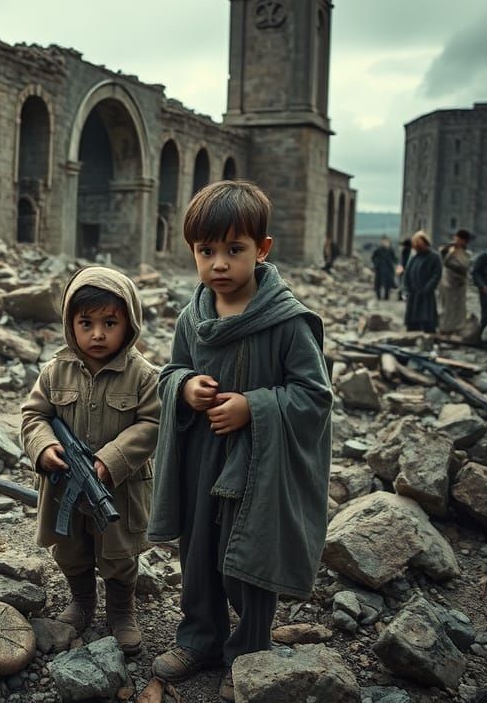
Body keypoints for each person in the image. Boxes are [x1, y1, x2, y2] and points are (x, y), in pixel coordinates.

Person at [147, 181, 332, 702]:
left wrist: (256, 406)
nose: (219, 264)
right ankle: (200, 637)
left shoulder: (288, 323)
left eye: (235, 249)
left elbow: (315, 397)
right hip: (204, 459)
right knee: (199, 551)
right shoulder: (194, 316)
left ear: (263, 249)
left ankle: (248, 652)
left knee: (249, 554)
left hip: (258, 465)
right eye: (207, 251)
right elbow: (169, 371)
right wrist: (184, 386)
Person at [20, 266, 159, 657]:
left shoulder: (143, 376)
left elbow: (152, 424)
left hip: (118, 488)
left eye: (110, 323)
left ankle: (120, 610)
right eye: (86, 323)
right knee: (68, 547)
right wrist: (44, 448)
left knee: (119, 553)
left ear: (129, 324)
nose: (97, 334)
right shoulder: (54, 371)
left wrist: (111, 459)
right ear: (70, 324)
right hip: (64, 484)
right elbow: (34, 417)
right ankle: (82, 601)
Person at [402, 230, 442, 333]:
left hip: (426, 294)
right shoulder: (414, 257)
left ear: (425, 243)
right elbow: (407, 273)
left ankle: (430, 337)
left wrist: (427, 288)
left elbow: (436, 275)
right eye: (416, 245)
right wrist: (406, 289)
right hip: (413, 293)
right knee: (412, 320)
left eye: (420, 244)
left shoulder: (434, 257)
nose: (417, 247)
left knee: (427, 319)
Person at [437, 229, 473, 334]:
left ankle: (457, 328)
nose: (456, 240)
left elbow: (465, 266)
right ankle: (445, 329)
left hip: (460, 284)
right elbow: (446, 262)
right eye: (456, 238)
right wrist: (450, 251)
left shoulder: (466, 253)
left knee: (459, 308)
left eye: (459, 239)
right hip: (448, 282)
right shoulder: (449, 250)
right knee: (447, 308)